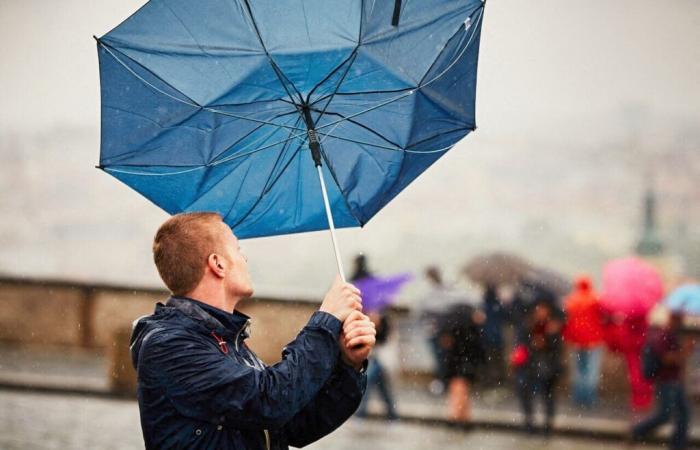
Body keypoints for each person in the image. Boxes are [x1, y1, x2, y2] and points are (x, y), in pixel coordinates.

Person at [130, 212, 376, 450]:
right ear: (217, 264)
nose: (244, 259)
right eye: (238, 249)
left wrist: (347, 365)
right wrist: (327, 319)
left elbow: (295, 425)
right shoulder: (170, 344)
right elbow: (271, 400)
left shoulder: (226, 340)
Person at [632, 311, 694, 450]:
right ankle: (637, 430)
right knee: (665, 415)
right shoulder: (664, 336)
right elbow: (667, 359)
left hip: (674, 382)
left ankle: (678, 446)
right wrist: (686, 351)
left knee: (684, 414)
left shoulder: (672, 336)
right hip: (667, 382)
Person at [351, 254, 398, 420]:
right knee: (378, 381)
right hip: (375, 346)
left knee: (369, 378)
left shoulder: (354, 284)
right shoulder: (374, 288)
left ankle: (361, 412)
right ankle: (392, 414)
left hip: (373, 347)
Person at [511, 298, 564, 435]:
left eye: (543, 309)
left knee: (548, 395)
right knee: (526, 393)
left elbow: (557, 348)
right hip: (529, 366)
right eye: (538, 309)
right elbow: (520, 345)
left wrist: (548, 341)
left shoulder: (553, 326)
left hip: (548, 366)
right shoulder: (527, 325)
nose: (540, 312)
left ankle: (548, 425)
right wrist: (532, 345)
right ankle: (529, 422)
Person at [437, 303, 485, 422]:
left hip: (459, 362)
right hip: (461, 363)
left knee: (460, 388)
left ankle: (460, 415)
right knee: (459, 387)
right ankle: (459, 415)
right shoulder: (465, 327)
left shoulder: (457, 325)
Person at [562, 275, 604, 408]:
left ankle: (578, 397)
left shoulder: (570, 301)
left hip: (576, 341)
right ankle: (589, 398)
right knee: (591, 370)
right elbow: (604, 316)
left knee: (578, 370)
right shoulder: (595, 300)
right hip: (593, 341)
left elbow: (566, 321)